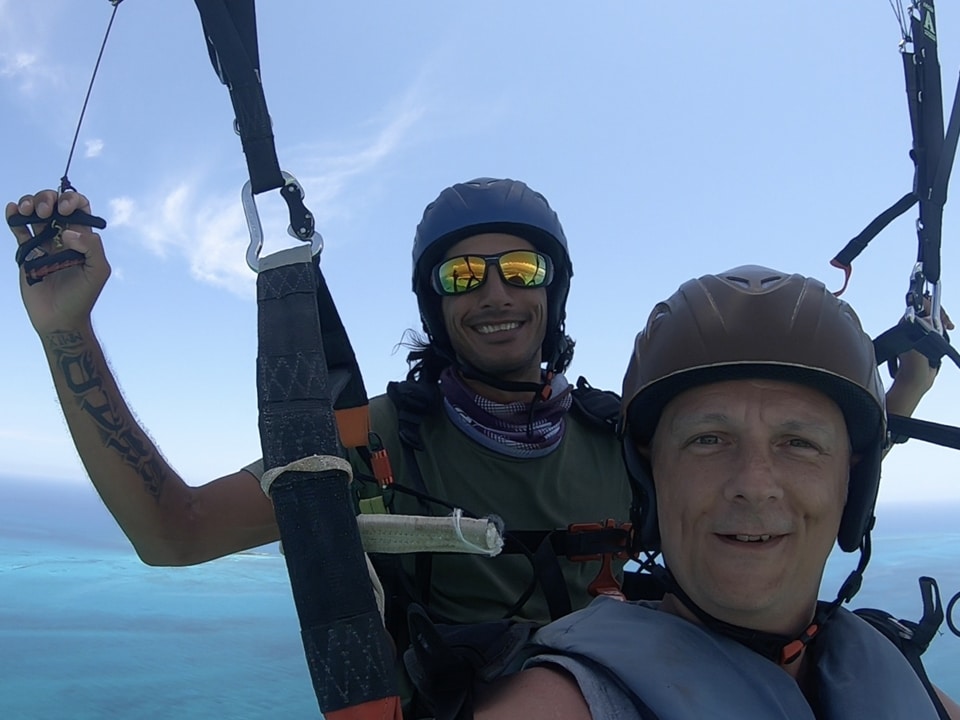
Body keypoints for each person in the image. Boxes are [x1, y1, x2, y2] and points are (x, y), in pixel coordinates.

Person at [6, 187, 946, 714]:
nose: (494, 291)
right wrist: (66, 334)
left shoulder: (619, 433)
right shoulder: (371, 441)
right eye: (463, 272)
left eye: (521, 268)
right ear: (435, 303)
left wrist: (883, 404)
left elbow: (762, 494)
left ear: (554, 292)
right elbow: (174, 533)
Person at [473, 265, 960, 720]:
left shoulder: (912, 688)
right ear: (648, 477)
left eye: (800, 443)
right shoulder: (555, 705)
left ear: (852, 485)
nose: (754, 485)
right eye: (708, 440)